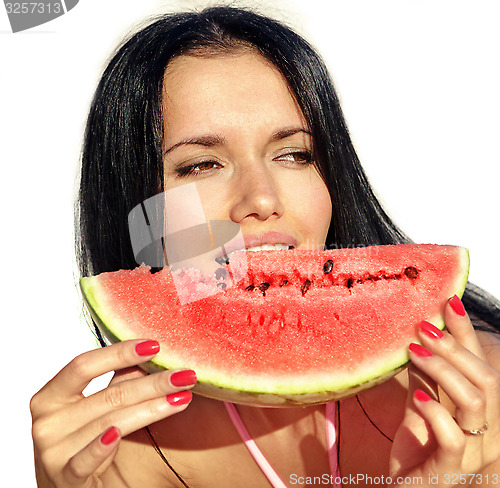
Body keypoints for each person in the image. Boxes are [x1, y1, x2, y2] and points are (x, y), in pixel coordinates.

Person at [30, 6, 500, 487]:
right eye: (200, 165)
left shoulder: (477, 394)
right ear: (137, 210)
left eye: (295, 154)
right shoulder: (119, 458)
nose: (261, 199)